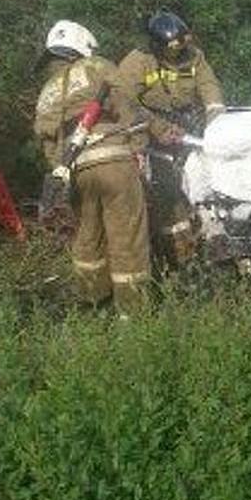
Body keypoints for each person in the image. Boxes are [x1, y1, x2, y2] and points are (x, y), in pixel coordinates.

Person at [34, 20, 151, 316]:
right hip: (115, 162)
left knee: (88, 239)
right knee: (127, 238)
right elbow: (129, 106)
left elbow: (49, 144)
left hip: (76, 171)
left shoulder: (46, 92)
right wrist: (141, 145)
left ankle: (94, 305)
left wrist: (62, 172)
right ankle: (133, 313)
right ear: (83, 46)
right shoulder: (96, 66)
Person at [118, 10, 226, 270]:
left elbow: (210, 88)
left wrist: (216, 120)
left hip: (188, 132)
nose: (176, 55)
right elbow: (123, 102)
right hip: (150, 138)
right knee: (167, 198)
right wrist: (156, 127)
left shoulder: (194, 56)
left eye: (180, 48)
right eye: (170, 50)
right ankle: (174, 259)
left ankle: (206, 246)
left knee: (205, 189)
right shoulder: (137, 62)